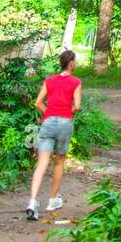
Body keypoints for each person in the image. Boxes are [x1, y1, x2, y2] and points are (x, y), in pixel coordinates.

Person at [26, 49, 82, 221]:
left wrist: (48, 113)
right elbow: (77, 106)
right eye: (75, 61)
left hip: (48, 123)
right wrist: (66, 112)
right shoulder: (76, 82)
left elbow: (37, 103)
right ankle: (52, 200)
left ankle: (33, 202)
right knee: (59, 161)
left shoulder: (49, 80)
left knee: (42, 163)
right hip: (65, 123)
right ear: (71, 63)